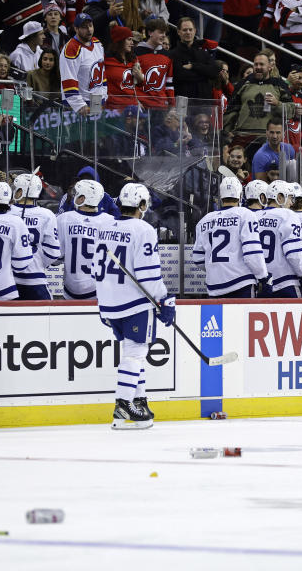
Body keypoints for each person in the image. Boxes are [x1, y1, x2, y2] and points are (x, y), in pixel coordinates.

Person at [93, 183, 174, 430]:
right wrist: (165, 300)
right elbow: (149, 275)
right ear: (142, 205)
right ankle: (124, 402)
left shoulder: (104, 227)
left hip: (108, 303)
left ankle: (138, 400)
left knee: (131, 353)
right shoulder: (144, 229)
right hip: (134, 303)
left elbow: (94, 268)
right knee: (136, 353)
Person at [191, 176, 268, 297]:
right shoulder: (245, 215)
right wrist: (263, 277)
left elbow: (198, 258)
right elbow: (252, 253)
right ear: (240, 196)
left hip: (214, 286)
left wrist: (217, 269)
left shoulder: (205, 220)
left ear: (221, 197)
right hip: (241, 283)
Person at [55, 179, 115, 300]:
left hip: (70, 291)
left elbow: (57, 257)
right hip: (99, 290)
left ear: (82, 199)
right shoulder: (111, 221)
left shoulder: (64, 219)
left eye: (76, 193)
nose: (73, 197)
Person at [255, 179, 302, 297]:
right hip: (286, 283)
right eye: (290, 198)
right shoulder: (288, 215)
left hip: (261, 283)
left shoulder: (254, 216)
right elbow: (293, 253)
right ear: (280, 197)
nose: (291, 203)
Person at [10, 173, 60, 300]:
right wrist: (37, 263)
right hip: (35, 279)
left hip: (8, 280)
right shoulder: (47, 215)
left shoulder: (6, 212)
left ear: (20, 190)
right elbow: (53, 253)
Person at [60, 13, 107, 115]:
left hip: (96, 101)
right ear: (76, 29)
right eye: (84, 27)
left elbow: (101, 75)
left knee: (96, 131)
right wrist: (80, 105)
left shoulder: (97, 43)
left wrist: (103, 97)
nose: (89, 30)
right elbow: (68, 80)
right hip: (78, 105)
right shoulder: (71, 48)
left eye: (90, 26)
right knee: (78, 131)